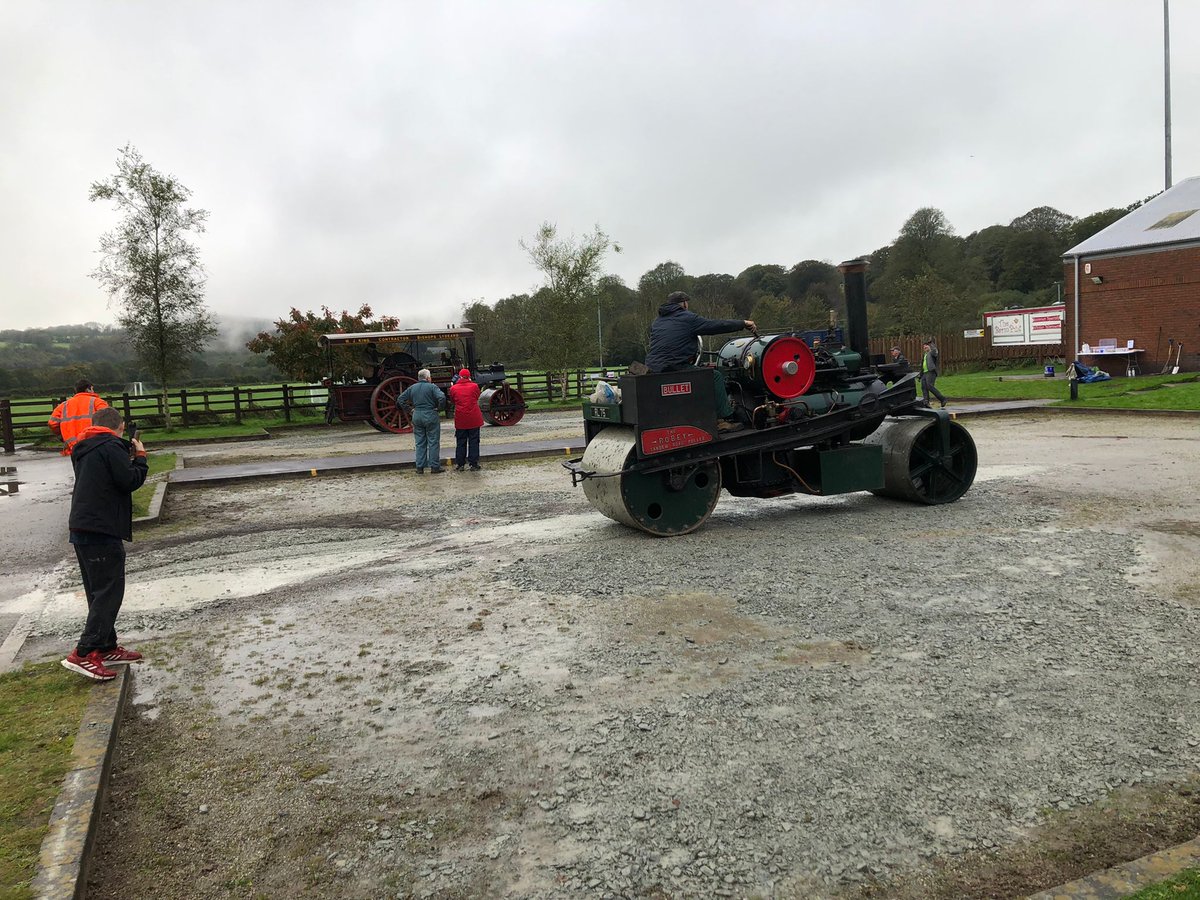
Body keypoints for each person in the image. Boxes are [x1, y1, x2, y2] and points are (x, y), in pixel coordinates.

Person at [60, 407, 148, 681]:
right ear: (119, 427)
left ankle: (106, 645)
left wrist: (126, 456)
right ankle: (84, 652)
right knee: (109, 591)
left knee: (98, 591)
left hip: (83, 525)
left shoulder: (84, 446)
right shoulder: (111, 446)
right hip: (102, 526)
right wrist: (141, 457)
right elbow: (128, 480)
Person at [645, 291, 755, 432]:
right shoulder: (687, 318)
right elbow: (716, 325)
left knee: (698, 371)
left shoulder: (657, 321)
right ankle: (723, 419)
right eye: (687, 302)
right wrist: (743, 323)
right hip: (674, 367)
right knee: (715, 376)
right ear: (684, 303)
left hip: (654, 367)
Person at [397, 369, 446, 474]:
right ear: (428, 378)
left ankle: (420, 467)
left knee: (419, 442)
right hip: (430, 414)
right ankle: (434, 466)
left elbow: (400, 399)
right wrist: (439, 408)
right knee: (433, 442)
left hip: (417, 415)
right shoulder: (432, 387)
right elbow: (442, 397)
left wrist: (409, 410)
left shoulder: (412, 388)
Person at [48, 379, 109, 456]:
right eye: (92, 389)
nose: (94, 391)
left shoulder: (63, 405)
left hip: (73, 448)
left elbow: (52, 423)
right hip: (95, 445)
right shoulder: (98, 402)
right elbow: (109, 419)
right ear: (88, 389)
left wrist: (63, 437)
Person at [447, 368, 484, 471]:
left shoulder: (453, 388)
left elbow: (453, 400)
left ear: (459, 376)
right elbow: (477, 397)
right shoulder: (474, 386)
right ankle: (473, 463)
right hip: (473, 417)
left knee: (460, 441)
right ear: (469, 376)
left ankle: (460, 464)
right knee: (474, 441)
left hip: (461, 418)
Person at [920, 340, 947, 408]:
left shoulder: (932, 353)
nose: (925, 347)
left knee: (930, 386)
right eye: (924, 347)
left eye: (926, 346)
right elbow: (922, 365)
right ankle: (926, 402)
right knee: (924, 387)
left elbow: (935, 350)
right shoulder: (924, 355)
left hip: (931, 372)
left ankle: (942, 399)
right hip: (924, 373)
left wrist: (931, 344)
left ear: (929, 347)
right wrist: (920, 375)